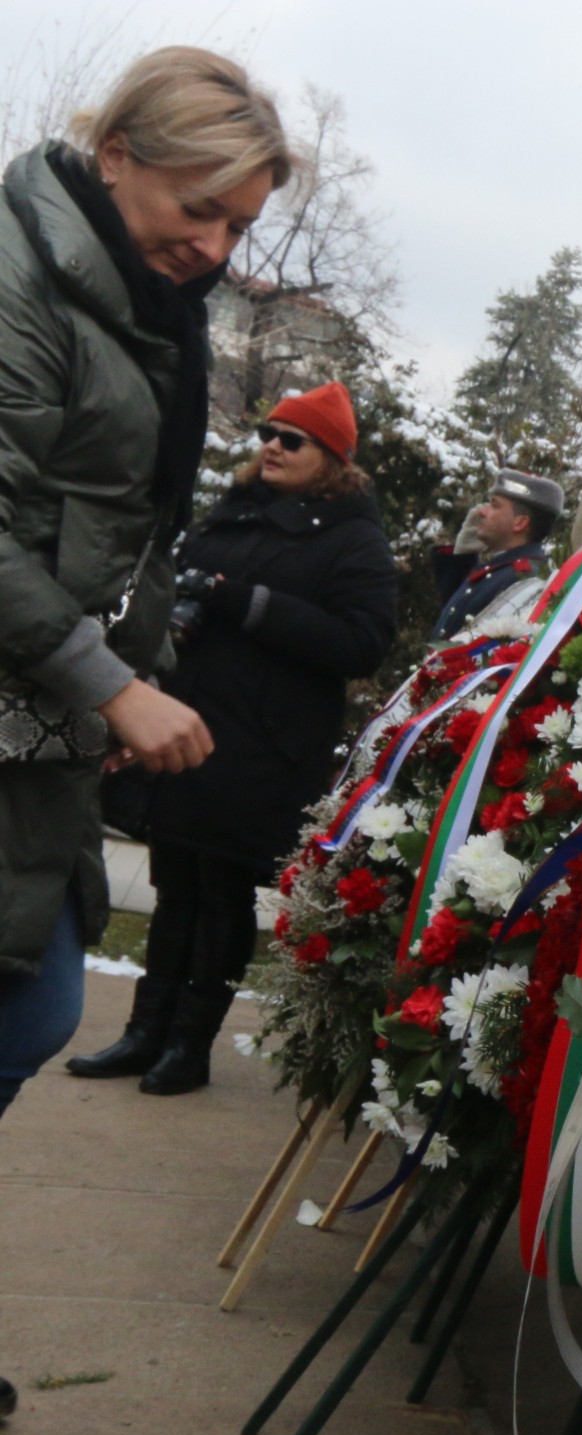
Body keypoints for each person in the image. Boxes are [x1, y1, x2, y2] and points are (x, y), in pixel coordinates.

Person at [0, 49, 294, 1120]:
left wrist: (135, 668)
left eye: (240, 227)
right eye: (198, 207)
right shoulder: (21, 282)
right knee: (29, 1011)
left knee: (32, 1009)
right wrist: (111, 685)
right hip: (35, 697)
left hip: (43, 721)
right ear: (117, 155)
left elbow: (134, 527)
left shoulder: (148, 307)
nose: (214, 247)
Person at [68, 382, 394, 1091]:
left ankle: (189, 1047)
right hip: (191, 724)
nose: (272, 446)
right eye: (267, 434)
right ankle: (143, 1033)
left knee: (221, 893)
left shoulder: (355, 538)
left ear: (331, 456)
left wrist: (248, 602)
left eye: (291, 439)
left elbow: (364, 641)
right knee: (175, 886)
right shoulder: (235, 510)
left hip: (264, 749)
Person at [431, 469, 561, 637]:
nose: (482, 511)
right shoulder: (505, 569)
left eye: (494, 505)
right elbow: (454, 620)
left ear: (520, 523)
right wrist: (463, 556)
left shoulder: (524, 577)